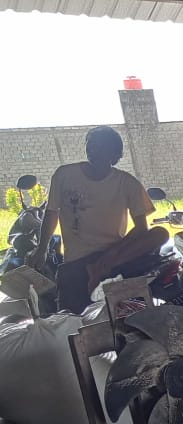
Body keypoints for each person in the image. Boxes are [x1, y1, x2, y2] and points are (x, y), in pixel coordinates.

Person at [30, 126, 168, 313]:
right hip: (77, 260)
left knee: (161, 233)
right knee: (72, 321)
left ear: (115, 154)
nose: (94, 150)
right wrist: (41, 249)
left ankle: (100, 266)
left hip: (114, 254)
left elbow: (142, 229)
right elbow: (51, 212)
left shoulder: (127, 183)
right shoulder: (64, 175)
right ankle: (97, 267)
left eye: (101, 147)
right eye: (91, 144)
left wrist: (111, 256)